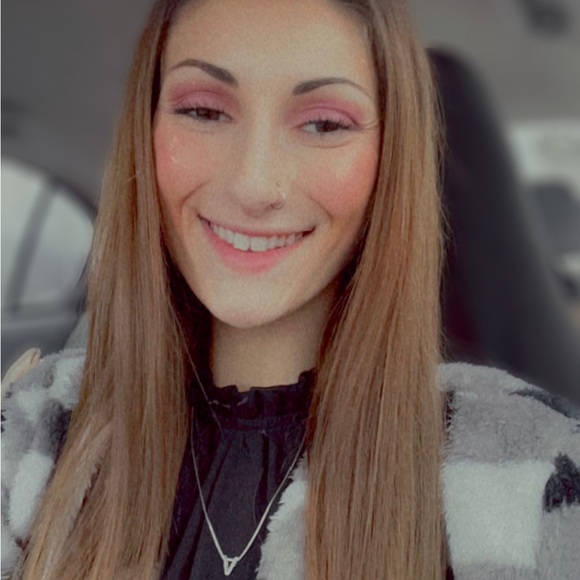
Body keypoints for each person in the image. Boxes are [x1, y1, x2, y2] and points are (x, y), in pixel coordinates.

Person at [1, 0, 579, 578]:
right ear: (147, 132)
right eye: (203, 111)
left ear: (389, 159)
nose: (254, 185)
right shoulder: (31, 435)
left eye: (324, 124)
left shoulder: (529, 474)